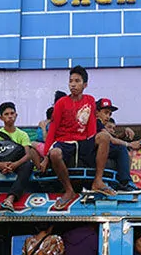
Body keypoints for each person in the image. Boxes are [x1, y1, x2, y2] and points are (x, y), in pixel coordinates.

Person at [44, 66, 115, 210]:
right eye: (70, 81)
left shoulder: (90, 100)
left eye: (77, 81)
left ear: (85, 85)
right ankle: (69, 191)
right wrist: (46, 154)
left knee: (104, 137)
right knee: (55, 154)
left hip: (84, 141)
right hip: (65, 141)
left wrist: (93, 144)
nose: (73, 84)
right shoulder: (61, 103)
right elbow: (53, 129)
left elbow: (91, 128)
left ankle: (98, 181)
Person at [0, 102, 37, 211]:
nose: (10, 116)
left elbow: (28, 155)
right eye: (6, 114)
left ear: (16, 115)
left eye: (12, 113)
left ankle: (10, 198)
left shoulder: (22, 134)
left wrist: (14, 165)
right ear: (1, 117)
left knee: (28, 165)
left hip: (15, 164)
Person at [95, 98, 141, 192]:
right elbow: (111, 139)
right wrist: (129, 144)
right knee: (121, 149)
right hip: (92, 153)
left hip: (98, 152)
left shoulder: (99, 124)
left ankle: (122, 182)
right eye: (105, 113)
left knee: (123, 150)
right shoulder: (95, 122)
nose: (108, 116)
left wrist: (124, 136)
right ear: (97, 112)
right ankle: (125, 182)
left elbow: (113, 138)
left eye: (110, 114)